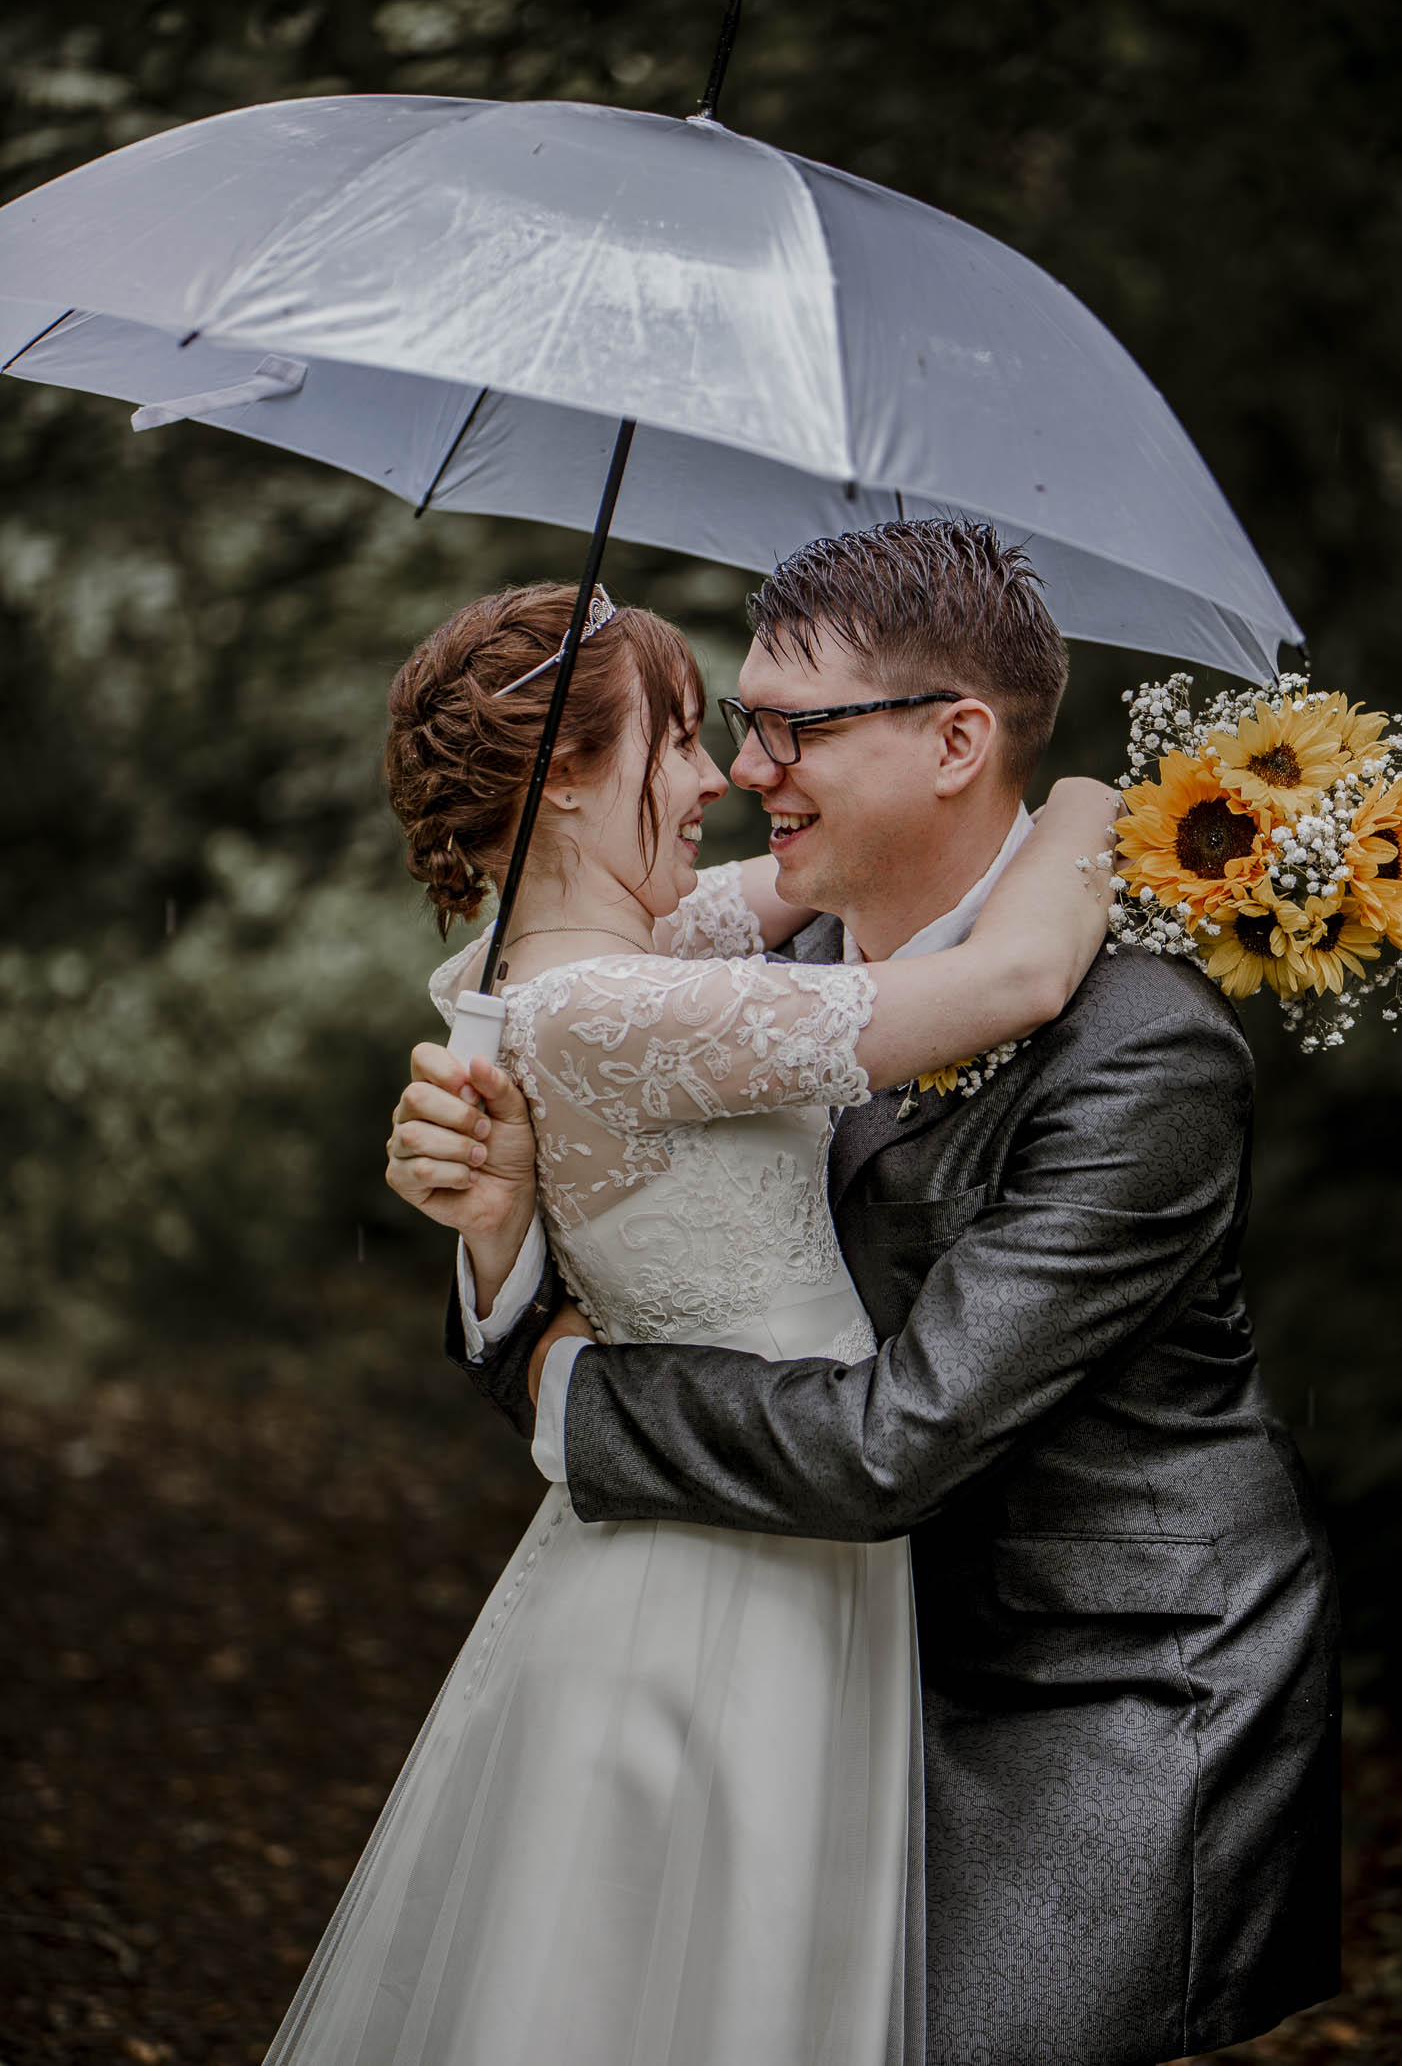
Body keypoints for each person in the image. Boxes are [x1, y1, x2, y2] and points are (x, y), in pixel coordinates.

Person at [390, 522, 1341, 2066]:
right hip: (816, 1625)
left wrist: (565, 1393)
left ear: (958, 738)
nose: (746, 768)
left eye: (792, 726)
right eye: (731, 723)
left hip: (1083, 1678)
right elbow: (633, 1250)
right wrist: (501, 1233)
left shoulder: (1139, 1050)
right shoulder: (748, 979)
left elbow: (895, 1440)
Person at [262, 565, 1117, 2066]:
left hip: (752, 1523)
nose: (717, 774)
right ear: (566, 781)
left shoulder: (552, 967)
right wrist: (1091, 800)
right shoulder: (615, 1006)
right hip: (724, 1568)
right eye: (673, 740)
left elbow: (804, 881)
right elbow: (1024, 972)